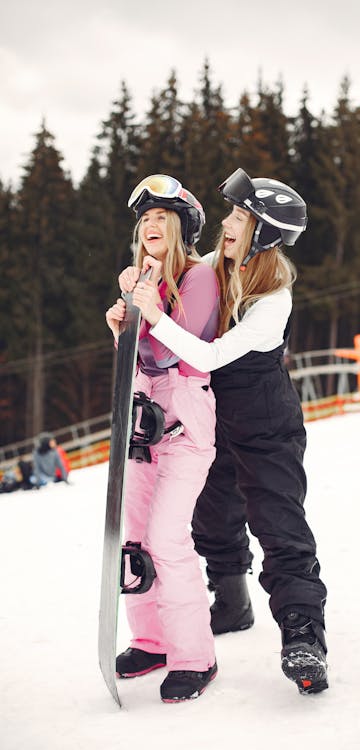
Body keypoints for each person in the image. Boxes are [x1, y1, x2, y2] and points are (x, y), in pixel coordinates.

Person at [121, 168, 328, 696]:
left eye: (241, 216)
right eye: (232, 212)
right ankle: (231, 602)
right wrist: (141, 287)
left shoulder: (273, 297)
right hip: (207, 416)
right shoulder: (213, 267)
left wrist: (155, 317)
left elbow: (209, 354)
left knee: (278, 523)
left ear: (267, 233)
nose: (228, 223)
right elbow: (178, 280)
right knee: (212, 517)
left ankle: (303, 634)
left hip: (264, 421)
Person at [105, 174, 219, 703]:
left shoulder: (200, 277)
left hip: (185, 418)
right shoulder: (141, 278)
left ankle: (195, 655)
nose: (149, 225)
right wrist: (121, 326)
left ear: (180, 226)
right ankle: (150, 640)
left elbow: (182, 351)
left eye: (160, 217)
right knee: (135, 536)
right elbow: (142, 357)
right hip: (143, 415)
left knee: (169, 537)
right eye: (144, 218)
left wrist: (149, 309)